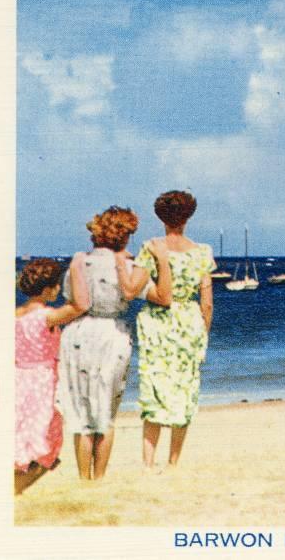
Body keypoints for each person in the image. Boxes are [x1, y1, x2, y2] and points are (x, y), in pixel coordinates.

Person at [57, 206, 172, 481]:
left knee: (83, 416)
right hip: (112, 335)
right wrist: (162, 262)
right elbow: (162, 297)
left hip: (77, 333)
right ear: (125, 236)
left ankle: (84, 479)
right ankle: (99, 479)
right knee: (105, 413)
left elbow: (69, 297)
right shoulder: (130, 268)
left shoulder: (78, 263)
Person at [118, 190, 215, 472]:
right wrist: (203, 334)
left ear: (160, 216)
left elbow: (133, 288)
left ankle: (148, 464)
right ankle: (173, 462)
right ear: (189, 216)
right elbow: (206, 302)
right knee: (185, 389)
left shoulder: (151, 248)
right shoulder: (203, 252)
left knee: (155, 388)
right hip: (190, 321)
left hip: (158, 324)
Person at [15, 258, 89, 494]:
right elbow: (79, 306)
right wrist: (77, 269)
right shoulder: (45, 316)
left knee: (22, 435)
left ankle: (14, 487)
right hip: (41, 381)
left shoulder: (14, 314)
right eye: (57, 285)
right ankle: (14, 489)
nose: (59, 290)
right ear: (48, 289)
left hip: (17, 379)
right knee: (45, 438)